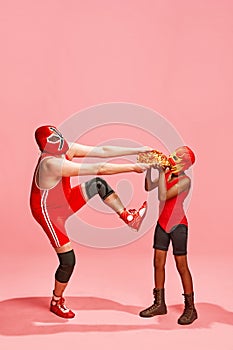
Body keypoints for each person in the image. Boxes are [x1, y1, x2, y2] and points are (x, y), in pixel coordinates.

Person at [30, 125, 150, 319]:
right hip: (48, 211)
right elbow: (99, 167)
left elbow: (102, 151)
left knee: (97, 185)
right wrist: (133, 167)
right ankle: (56, 301)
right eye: (53, 139)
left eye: (59, 135)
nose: (60, 141)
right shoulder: (50, 164)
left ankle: (129, 218)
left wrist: (138, 150)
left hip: (64, 197)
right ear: (44, 146)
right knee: (68, 261)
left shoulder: (67, 150)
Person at [139, 146, 198, 325]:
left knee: (181, 266)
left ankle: (190, 308)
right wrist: (150, 168)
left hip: (178, 226)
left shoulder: (185, 181)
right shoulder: (166, 174)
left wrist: (161, 172)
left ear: (185, 163)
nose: (172, 157)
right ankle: (159, 303)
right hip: (162, 224)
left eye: (177, 156)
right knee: (158, 263)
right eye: (173, 153)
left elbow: (163, 196)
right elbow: (149, 186)